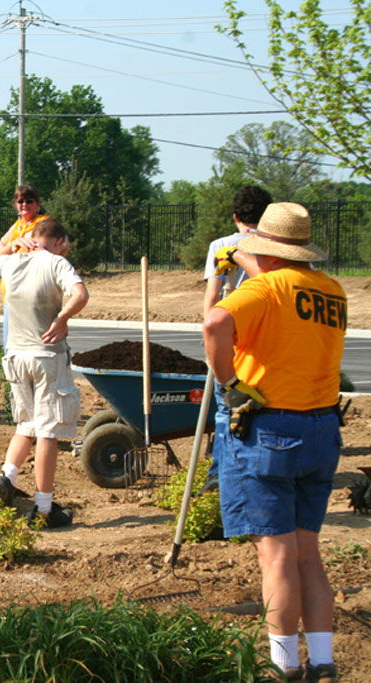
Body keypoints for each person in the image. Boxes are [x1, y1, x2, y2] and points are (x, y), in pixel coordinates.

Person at [203, 202, 345, 681]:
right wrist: (245, 259)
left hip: (270, 429)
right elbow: (283, 286)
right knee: (308, 552)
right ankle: (322, 664)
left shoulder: (263, 289)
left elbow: (215, 323)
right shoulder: (330, 290)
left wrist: (228, 383)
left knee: (277, 556)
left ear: (266, 250)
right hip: (321, 430)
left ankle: (283, 666)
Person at [0, 218, 89, 528]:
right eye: (66, 244)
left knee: (26, 423)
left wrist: (10, 245)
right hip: (46, 357)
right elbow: (81, 294)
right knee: (47, 432)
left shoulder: (10, 260)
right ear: (55, 240)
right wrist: (62, 318)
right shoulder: (55, 262)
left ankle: (7, 477)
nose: (67, 250)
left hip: (16, 355)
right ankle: (44, 509)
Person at [200, 185, 272, 493]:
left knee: (224, 409)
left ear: (235, 215)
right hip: (264, 342)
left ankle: (220, 475)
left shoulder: (223, 244)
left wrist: (210, 340)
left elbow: (213, 296)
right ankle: (258, 471)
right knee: (262, 409)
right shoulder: (275, 245)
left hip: (230, 340)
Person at [0, 185, 50, 348]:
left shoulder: (43, 222)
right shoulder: (18, 224)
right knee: (10, 345)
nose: (24, 204)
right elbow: (2, 244)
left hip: (31, 291)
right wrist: (13, 245)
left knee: (33, 344)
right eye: (20, 201)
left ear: (37, 204)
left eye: (29, 201)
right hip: (11, 291)